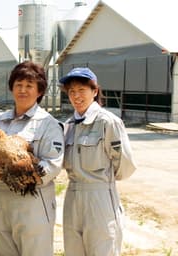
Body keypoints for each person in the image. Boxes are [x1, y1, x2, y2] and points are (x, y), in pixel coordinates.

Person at [0, 61, 65, 256]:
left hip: (32, 199)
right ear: (12, 88)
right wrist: (3, 158)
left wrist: (20, 173)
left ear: (39, 91)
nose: (23, 90)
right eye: (18, 85)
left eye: (29, 86)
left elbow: (52, 164)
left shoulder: (48, 125)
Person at [58, 67, 137, 256]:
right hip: (72, 196)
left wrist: (103, 181)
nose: (76, 96)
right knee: (73, 250)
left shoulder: (108, 122)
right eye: (71, 91)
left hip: (100, 197)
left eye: (82, 90)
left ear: (94, 91)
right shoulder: (68, 126)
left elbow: (125, 166)